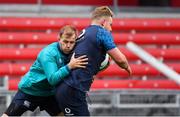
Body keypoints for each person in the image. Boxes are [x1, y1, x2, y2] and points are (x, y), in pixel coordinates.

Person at [55, 6, 132, 116]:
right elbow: (120, 60)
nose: (111, 29)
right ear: (104, 22)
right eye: (110, 25)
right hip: (73, 90)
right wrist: (127, 67)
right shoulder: (101, 32)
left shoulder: (84, 33)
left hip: (66, 87)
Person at [2, 25, 88, 117]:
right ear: (59, 39)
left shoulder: (73, 51)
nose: (68, 46)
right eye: (65, 41)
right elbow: (52, 79)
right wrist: (69, 66)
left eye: (71, 42)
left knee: (63, 115)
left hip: (49, 93)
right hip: (30, 90)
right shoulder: (48, 53)